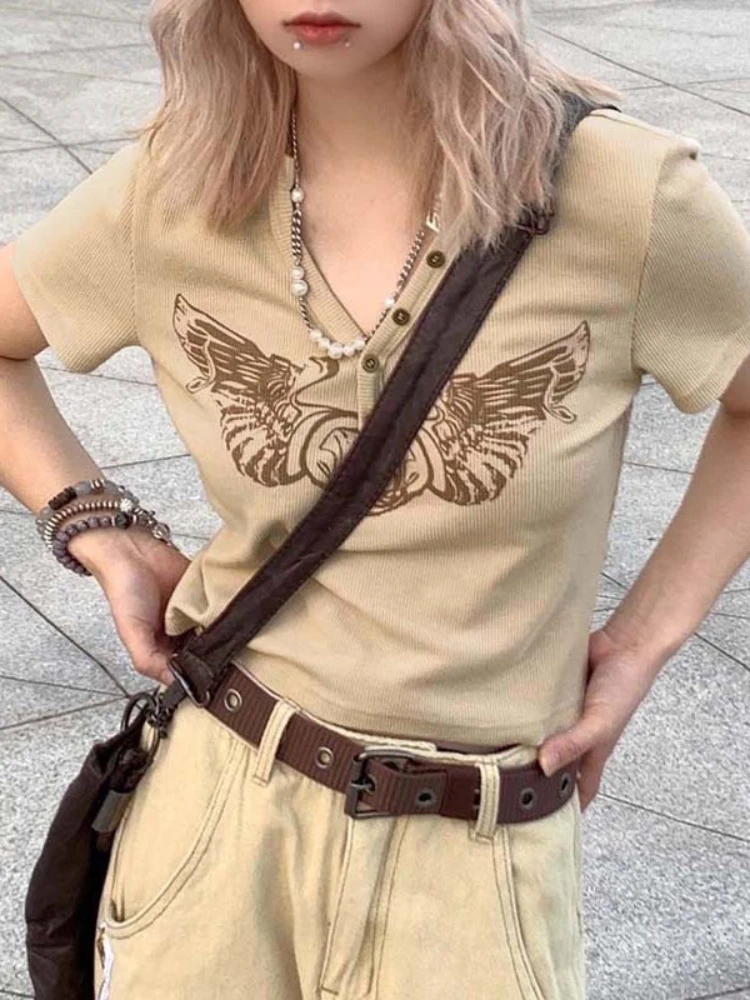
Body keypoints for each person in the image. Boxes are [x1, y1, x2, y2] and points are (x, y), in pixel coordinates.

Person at [2, 1, 750, 997]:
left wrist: (645, 638)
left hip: (476, 866)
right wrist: (95, 522)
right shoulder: (178, 185)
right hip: (215, 827)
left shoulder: (623, 195)